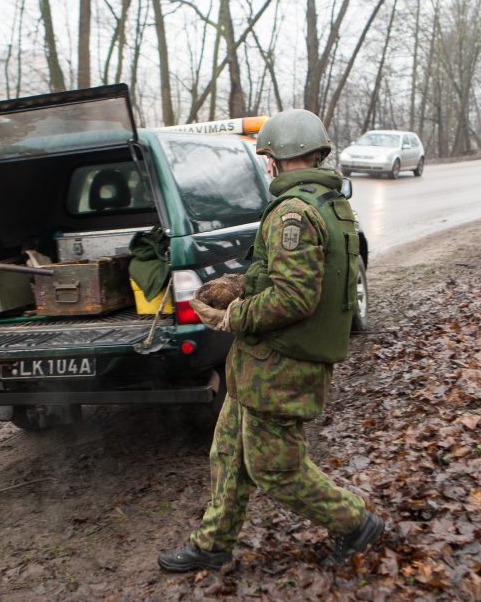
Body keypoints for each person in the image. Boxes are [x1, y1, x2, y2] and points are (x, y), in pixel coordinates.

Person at [157, 109, 384, 573]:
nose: (266, 166)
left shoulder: (293, 213)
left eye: (268, 158)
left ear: (278, 159)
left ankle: (355, 524)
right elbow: (295, 279)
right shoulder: (327, 203)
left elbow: (295, 297)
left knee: (275, 469)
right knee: (228, 451)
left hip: (280, 365)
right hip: (264, 363)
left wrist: (231, 315)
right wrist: (242, 283)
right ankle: (213, 543)